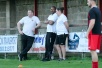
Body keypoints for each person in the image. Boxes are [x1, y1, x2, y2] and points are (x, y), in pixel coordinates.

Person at [86, 0, 101, 68]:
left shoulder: (92, 11)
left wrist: (87, 32)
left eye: (88, 1)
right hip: (97, 32)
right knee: (93, 51)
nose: (87, 3)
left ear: (92, 1)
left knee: (93, 51)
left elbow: (92, 22)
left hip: (93, 33)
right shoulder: (98, 10)